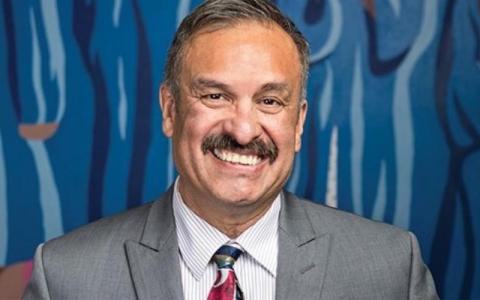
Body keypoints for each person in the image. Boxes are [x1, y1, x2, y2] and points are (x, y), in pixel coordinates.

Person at [23, 0, 438, 299]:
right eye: (216, 96)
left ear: (299, 123)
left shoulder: (390, 269)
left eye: (270, 101)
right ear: (170, 109)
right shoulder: (66, 278)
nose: (242, 130)